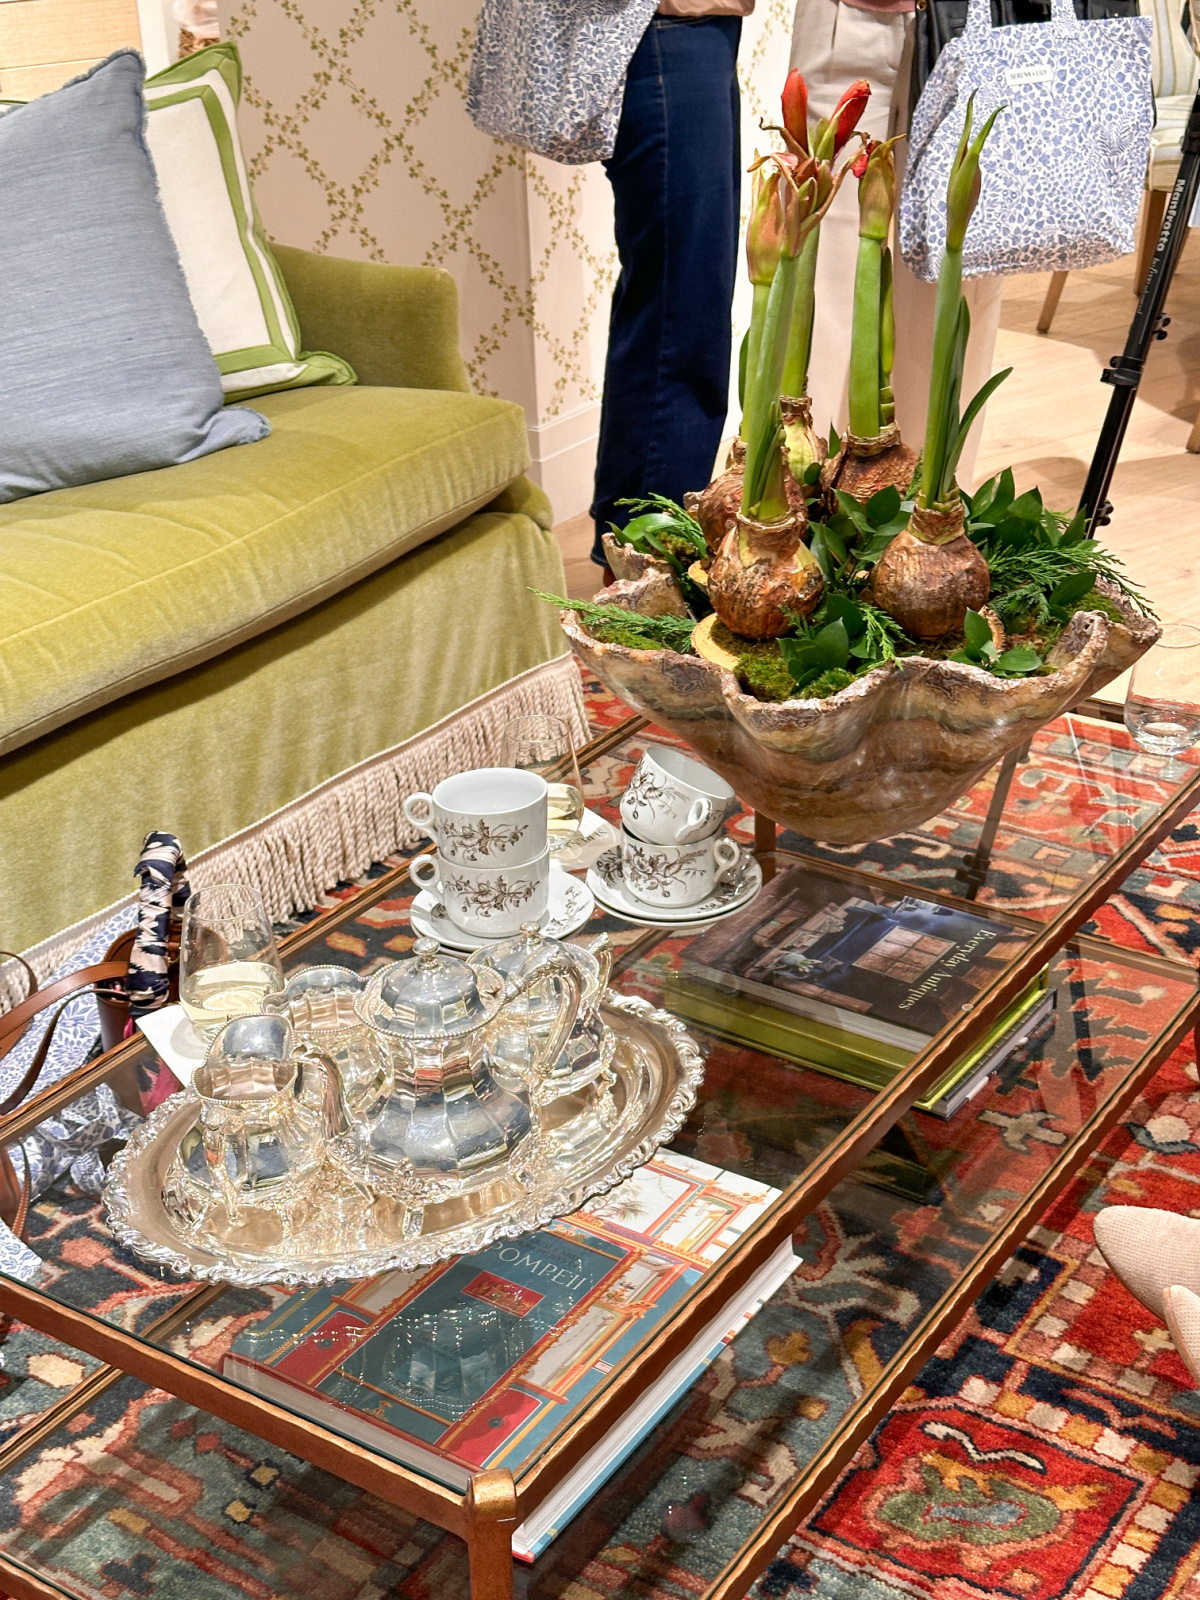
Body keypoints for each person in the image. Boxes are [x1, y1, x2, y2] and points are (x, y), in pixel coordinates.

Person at [788, 0, 1005, 475]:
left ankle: (934, 512)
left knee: (955, 276)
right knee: (817, 272)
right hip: (850, 18)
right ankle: (797, 514)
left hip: (973, 22)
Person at [590, 2, 754, 566]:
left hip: (692, 29)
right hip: (668, 28)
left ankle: (633, 555)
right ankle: (645, 563)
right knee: (680, 319)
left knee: (676, 308)